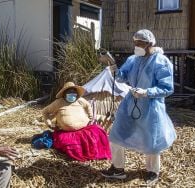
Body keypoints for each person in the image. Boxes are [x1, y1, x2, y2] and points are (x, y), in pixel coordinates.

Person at [100, 29, 176, 185]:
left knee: (151, 140)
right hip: (131, 103)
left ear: (149, 44)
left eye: (139, 43)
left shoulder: (161, 62)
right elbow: (122, 77)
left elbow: (167, 88)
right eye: (134, 43)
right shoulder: (133, 59)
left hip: (151, 106)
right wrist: (112, 64)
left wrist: (146, 92)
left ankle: (153, 171)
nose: (136, 46)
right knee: (117, 134)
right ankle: (117, 168)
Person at [42, 82, 111, 161]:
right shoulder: (59, 102)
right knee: (72, 145)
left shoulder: (80, 100)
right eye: (69, 92)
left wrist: (90, 117)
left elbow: (88, 106)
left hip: (84, 129)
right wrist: (49, 123)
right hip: (66, 132)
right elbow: (45, 111)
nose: (72, 94)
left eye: (74, 92)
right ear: (64, 93)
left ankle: (96, 154)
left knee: (98, 131)